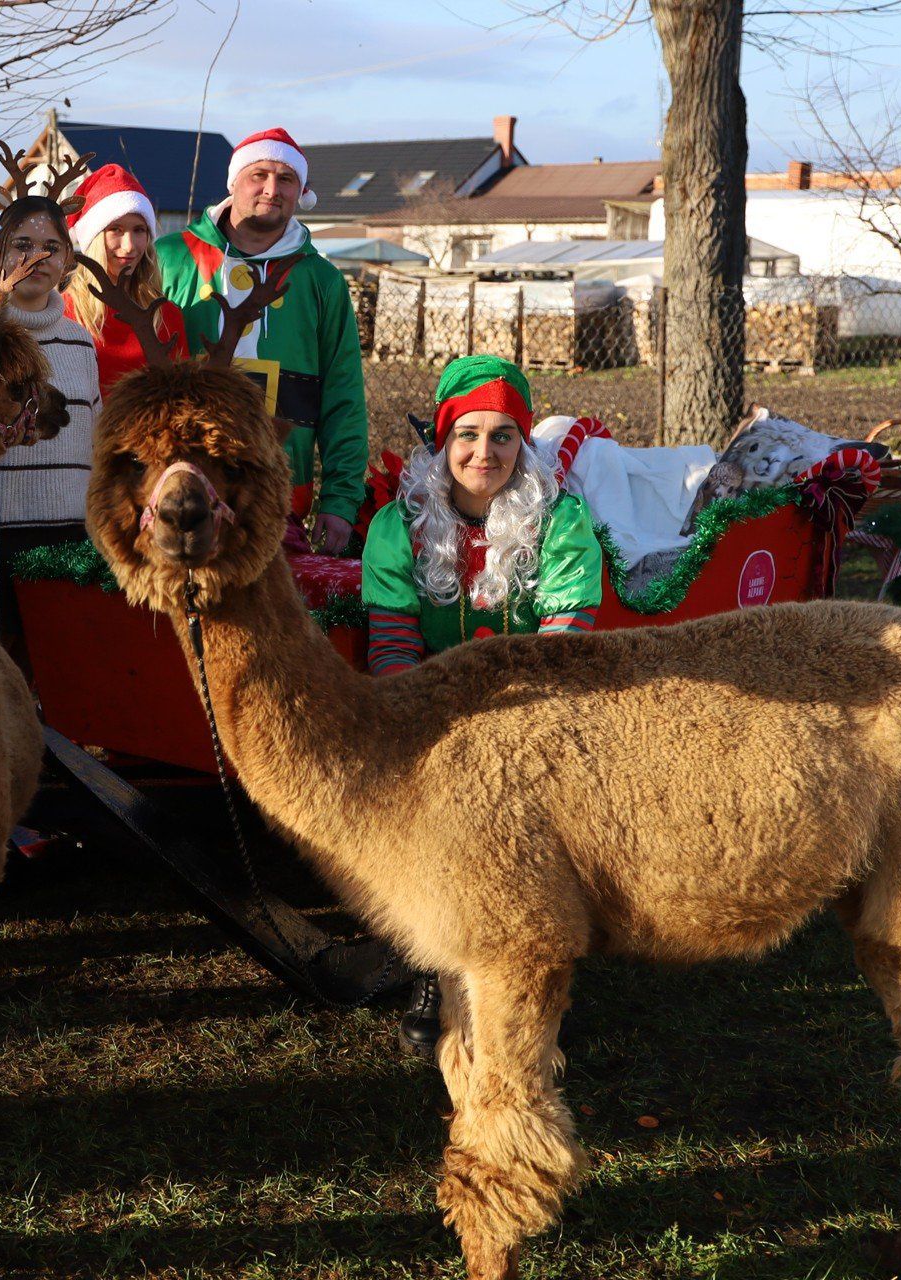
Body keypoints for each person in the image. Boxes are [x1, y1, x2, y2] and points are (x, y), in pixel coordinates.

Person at [360, 354, 603, 1054]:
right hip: (430, 715)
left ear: (522, 445)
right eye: (468, 434)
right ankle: (435, 967)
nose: (484, 453)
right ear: (443, 441)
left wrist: (508, 734)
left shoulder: (560, 522)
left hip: (536, 709)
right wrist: (429, 733)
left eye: (503, 436)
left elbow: (563, 647)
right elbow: (394, 648)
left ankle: (541, 981)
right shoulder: (395, 528)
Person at [155, 127, 367, 554]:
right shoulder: (169, 258)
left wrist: (341, 500)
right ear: (233, 182)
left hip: (280, 498)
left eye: (286, 179)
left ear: (300, 190)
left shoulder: (320, 280)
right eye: (259, 175)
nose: (272, 189)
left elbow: (343, 397)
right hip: (176, 497)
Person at [0, 191, 102, 663]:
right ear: (0, 254)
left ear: (68, 259)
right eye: (21, 245)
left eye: (50, 247)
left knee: (60, 671)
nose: (36, 258)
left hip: (68, 539)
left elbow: (92, 441)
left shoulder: (81, 343)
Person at [63, 164, 187, 395]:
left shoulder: (166, 317)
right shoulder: (63, 314)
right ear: (94, 238)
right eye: (116, 230)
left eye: (139, 230)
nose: (129, 246)